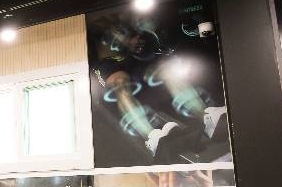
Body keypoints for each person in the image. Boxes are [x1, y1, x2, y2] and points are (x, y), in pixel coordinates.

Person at [92, 20, 227, 160]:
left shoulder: (129, 24)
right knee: (119, 83)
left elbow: (144, 25)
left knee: (166, 68)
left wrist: (137, 37)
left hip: (136, 63)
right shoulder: (100, 34)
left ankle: (207, 117)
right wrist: (125, 42)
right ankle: (152, 138)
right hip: (113, 64)